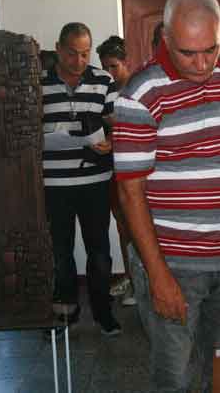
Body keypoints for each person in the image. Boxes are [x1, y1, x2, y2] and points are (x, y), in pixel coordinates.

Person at [112, 0, 220, 392]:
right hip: (172, 261)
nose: (202, 64)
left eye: (211, 49)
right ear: (166, 38)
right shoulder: (140, 94)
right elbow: (131, 193)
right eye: (188, 53)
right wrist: (157, 275)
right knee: (177, 378)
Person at [42, 22, 121, 336]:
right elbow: (30, 130)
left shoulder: (103, 81)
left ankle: (103, 313)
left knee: (99, 251)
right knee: (60, 252)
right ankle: (66, 313)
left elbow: (118, 124)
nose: (79, 61)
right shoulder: (38, 83)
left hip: (95, 181)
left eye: (85, 54)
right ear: (59, 49)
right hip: (54, 185)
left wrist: (112, 141)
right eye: (72, 53)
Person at [96, 35, 136, 307]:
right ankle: (131, 279)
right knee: (122, 226)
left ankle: (141, 282)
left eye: (114, 66)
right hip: (113, 167)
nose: (109, 73)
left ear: (125, 63)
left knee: (137, 226)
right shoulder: (104, 91)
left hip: (136, 168)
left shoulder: (136, 89)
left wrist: (115, 137)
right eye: (104, 67)